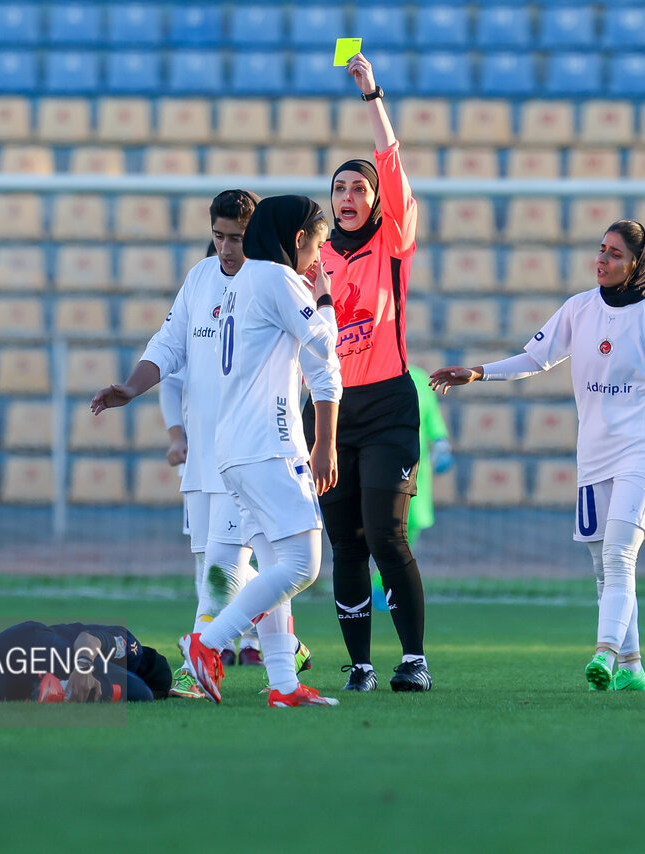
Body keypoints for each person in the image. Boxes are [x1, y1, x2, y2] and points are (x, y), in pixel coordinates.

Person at [430, 220, 645, 692]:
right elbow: (535, 359)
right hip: (595, 450)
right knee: (602, 564)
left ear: (638, 264)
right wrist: (478, 372)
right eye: (601, 250)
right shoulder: (579, 308)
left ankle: (604, 655)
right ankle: (633, 668)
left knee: (618, 556)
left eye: (615, 254)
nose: (602, 260)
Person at [91, 191, 308, 701]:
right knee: (236, 563)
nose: (227, 248)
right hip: (206, 455)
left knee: (224, 564)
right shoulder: (200, 278)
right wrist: (130, 386)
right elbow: (168, 344)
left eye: (237, 238)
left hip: (253, 450)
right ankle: (284, 670)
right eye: (220, 236)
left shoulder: (272, 283)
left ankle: (200, 661)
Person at [178, 194, 343, 707]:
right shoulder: (277, 277)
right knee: (302, 566)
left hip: (232, 447)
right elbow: (323, 346)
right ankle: (207, 643)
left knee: (275, 566)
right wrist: (324, 299)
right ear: (298, 239)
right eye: (317, 244)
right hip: (268, 444)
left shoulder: (242, 281)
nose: (318, 257)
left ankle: (284, 684)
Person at [304, 52, 431, 693]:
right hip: (327, 412)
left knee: (386, 535)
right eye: (340, 190)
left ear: (377, 200)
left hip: (386, 405)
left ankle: (414, 660)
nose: (349, 197)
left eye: (360, 188)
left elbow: (391, 162)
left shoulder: (391, 241)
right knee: (345, 544)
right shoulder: (312, 257)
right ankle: (359, 666)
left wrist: (371, 95)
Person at [0, 620, 171, 703]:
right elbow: (87, 639)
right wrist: (83, 666)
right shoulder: (132, 649)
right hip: (40, 644)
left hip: (0, 655)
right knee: (137, 694)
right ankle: (56, 685)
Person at [372, 365, 453, 611]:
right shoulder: (374, 375)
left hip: (416, 470)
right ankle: (375, 586)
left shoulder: (418, 377)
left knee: (411, 526)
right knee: (381, 527)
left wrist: (440, 443)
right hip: (379, 464)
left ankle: (382, 584)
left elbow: (431, 417)